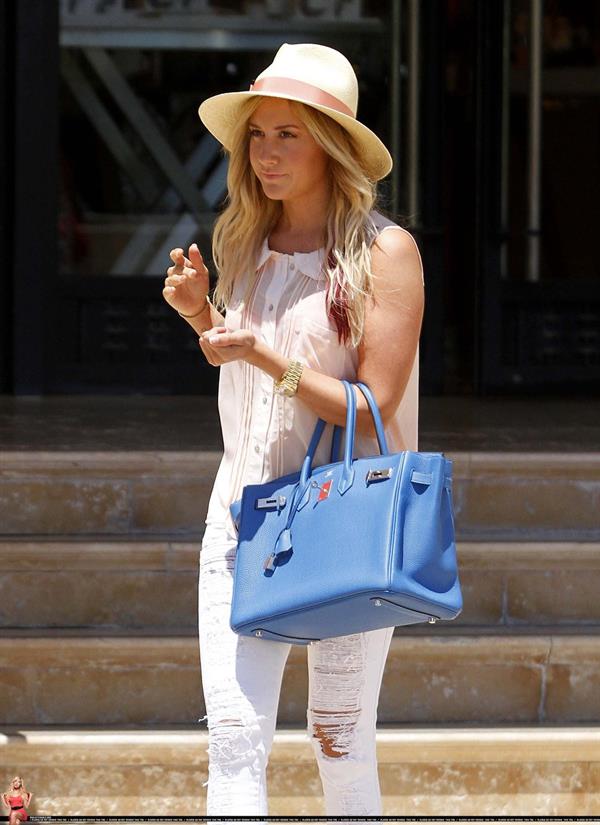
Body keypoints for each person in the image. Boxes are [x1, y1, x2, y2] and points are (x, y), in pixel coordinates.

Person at [162, 42, 424, 817]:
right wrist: (203, 317)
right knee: (236, 742)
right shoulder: (241, 241)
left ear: (331, 147)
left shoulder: (386, 253)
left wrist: (264, 355)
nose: (266, 153)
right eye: (257, 134)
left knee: (337, 735)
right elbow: (239, 362)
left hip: (343, 520)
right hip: (242, 520)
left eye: (289, 135)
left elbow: (373, 402)